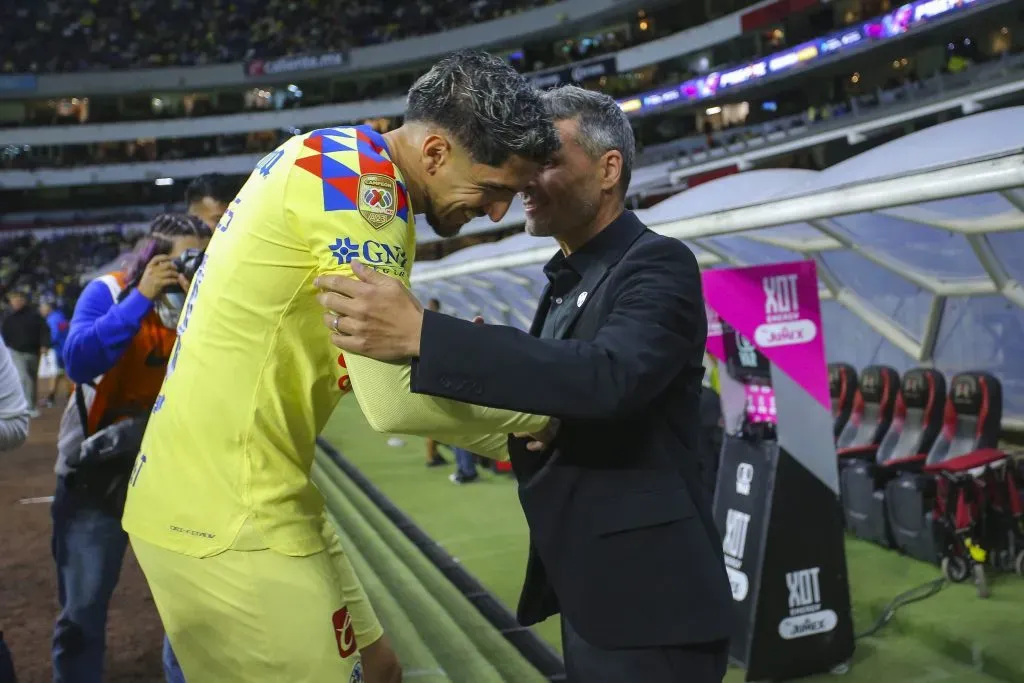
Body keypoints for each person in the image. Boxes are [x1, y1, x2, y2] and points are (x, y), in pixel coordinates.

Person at [120, 49, 558, 683]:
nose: (496, 214)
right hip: (230, 514)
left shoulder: (334, 155)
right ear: (434, 154)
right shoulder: (370, 197)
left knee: (379, 669)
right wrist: (542, 425)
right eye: (494, 190)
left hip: (250, 488)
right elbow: (394, 403)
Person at [315, 85, 733, 682]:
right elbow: (558, 397)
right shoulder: (568, 278)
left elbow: (609, 377)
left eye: (549, 161)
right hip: (595, 593)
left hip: (651, 603)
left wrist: (428, 335)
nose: (526, 179)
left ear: (609, 169)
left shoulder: (657, 262)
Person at [51, 214, 211, 683]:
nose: (193, 266)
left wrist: (193, 313)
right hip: (96, 476)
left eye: (202, 256)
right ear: (153, 255)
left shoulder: (202, 302)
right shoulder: (109, 289)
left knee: (190, 609)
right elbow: (78, 361)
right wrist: (141, 297)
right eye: (184, 255)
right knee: (83, 611)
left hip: (170, 474)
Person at [1, 290, 49, 418]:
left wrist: (44, 345)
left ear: (24, 301)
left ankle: (32, 405)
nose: (16, 302)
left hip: (33, 352)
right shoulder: (8, 318)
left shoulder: (35, 315)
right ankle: (25, 407)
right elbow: (4, 334)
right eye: (14, 300)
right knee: (23, 378)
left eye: (19, 299)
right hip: (16, 352)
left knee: (32, 379)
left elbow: (44, 330)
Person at [423, 297, 449, 467]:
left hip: (429, 376)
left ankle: (433, 455)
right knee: (435, 422)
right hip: (435, 377)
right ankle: (431, 457)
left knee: (435, 421)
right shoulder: (439, 325)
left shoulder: (424, 322)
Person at [39, 296, 70, 408]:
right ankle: (65, 396)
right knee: (63, 373)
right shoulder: (60, 316)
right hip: (64, 348)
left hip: (57, 350)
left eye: (42, 307)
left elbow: (53, 336)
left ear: (48, 308)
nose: (41, 310)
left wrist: (45, 345)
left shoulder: (52, 319)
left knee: (57, 373)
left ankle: (54, 398)